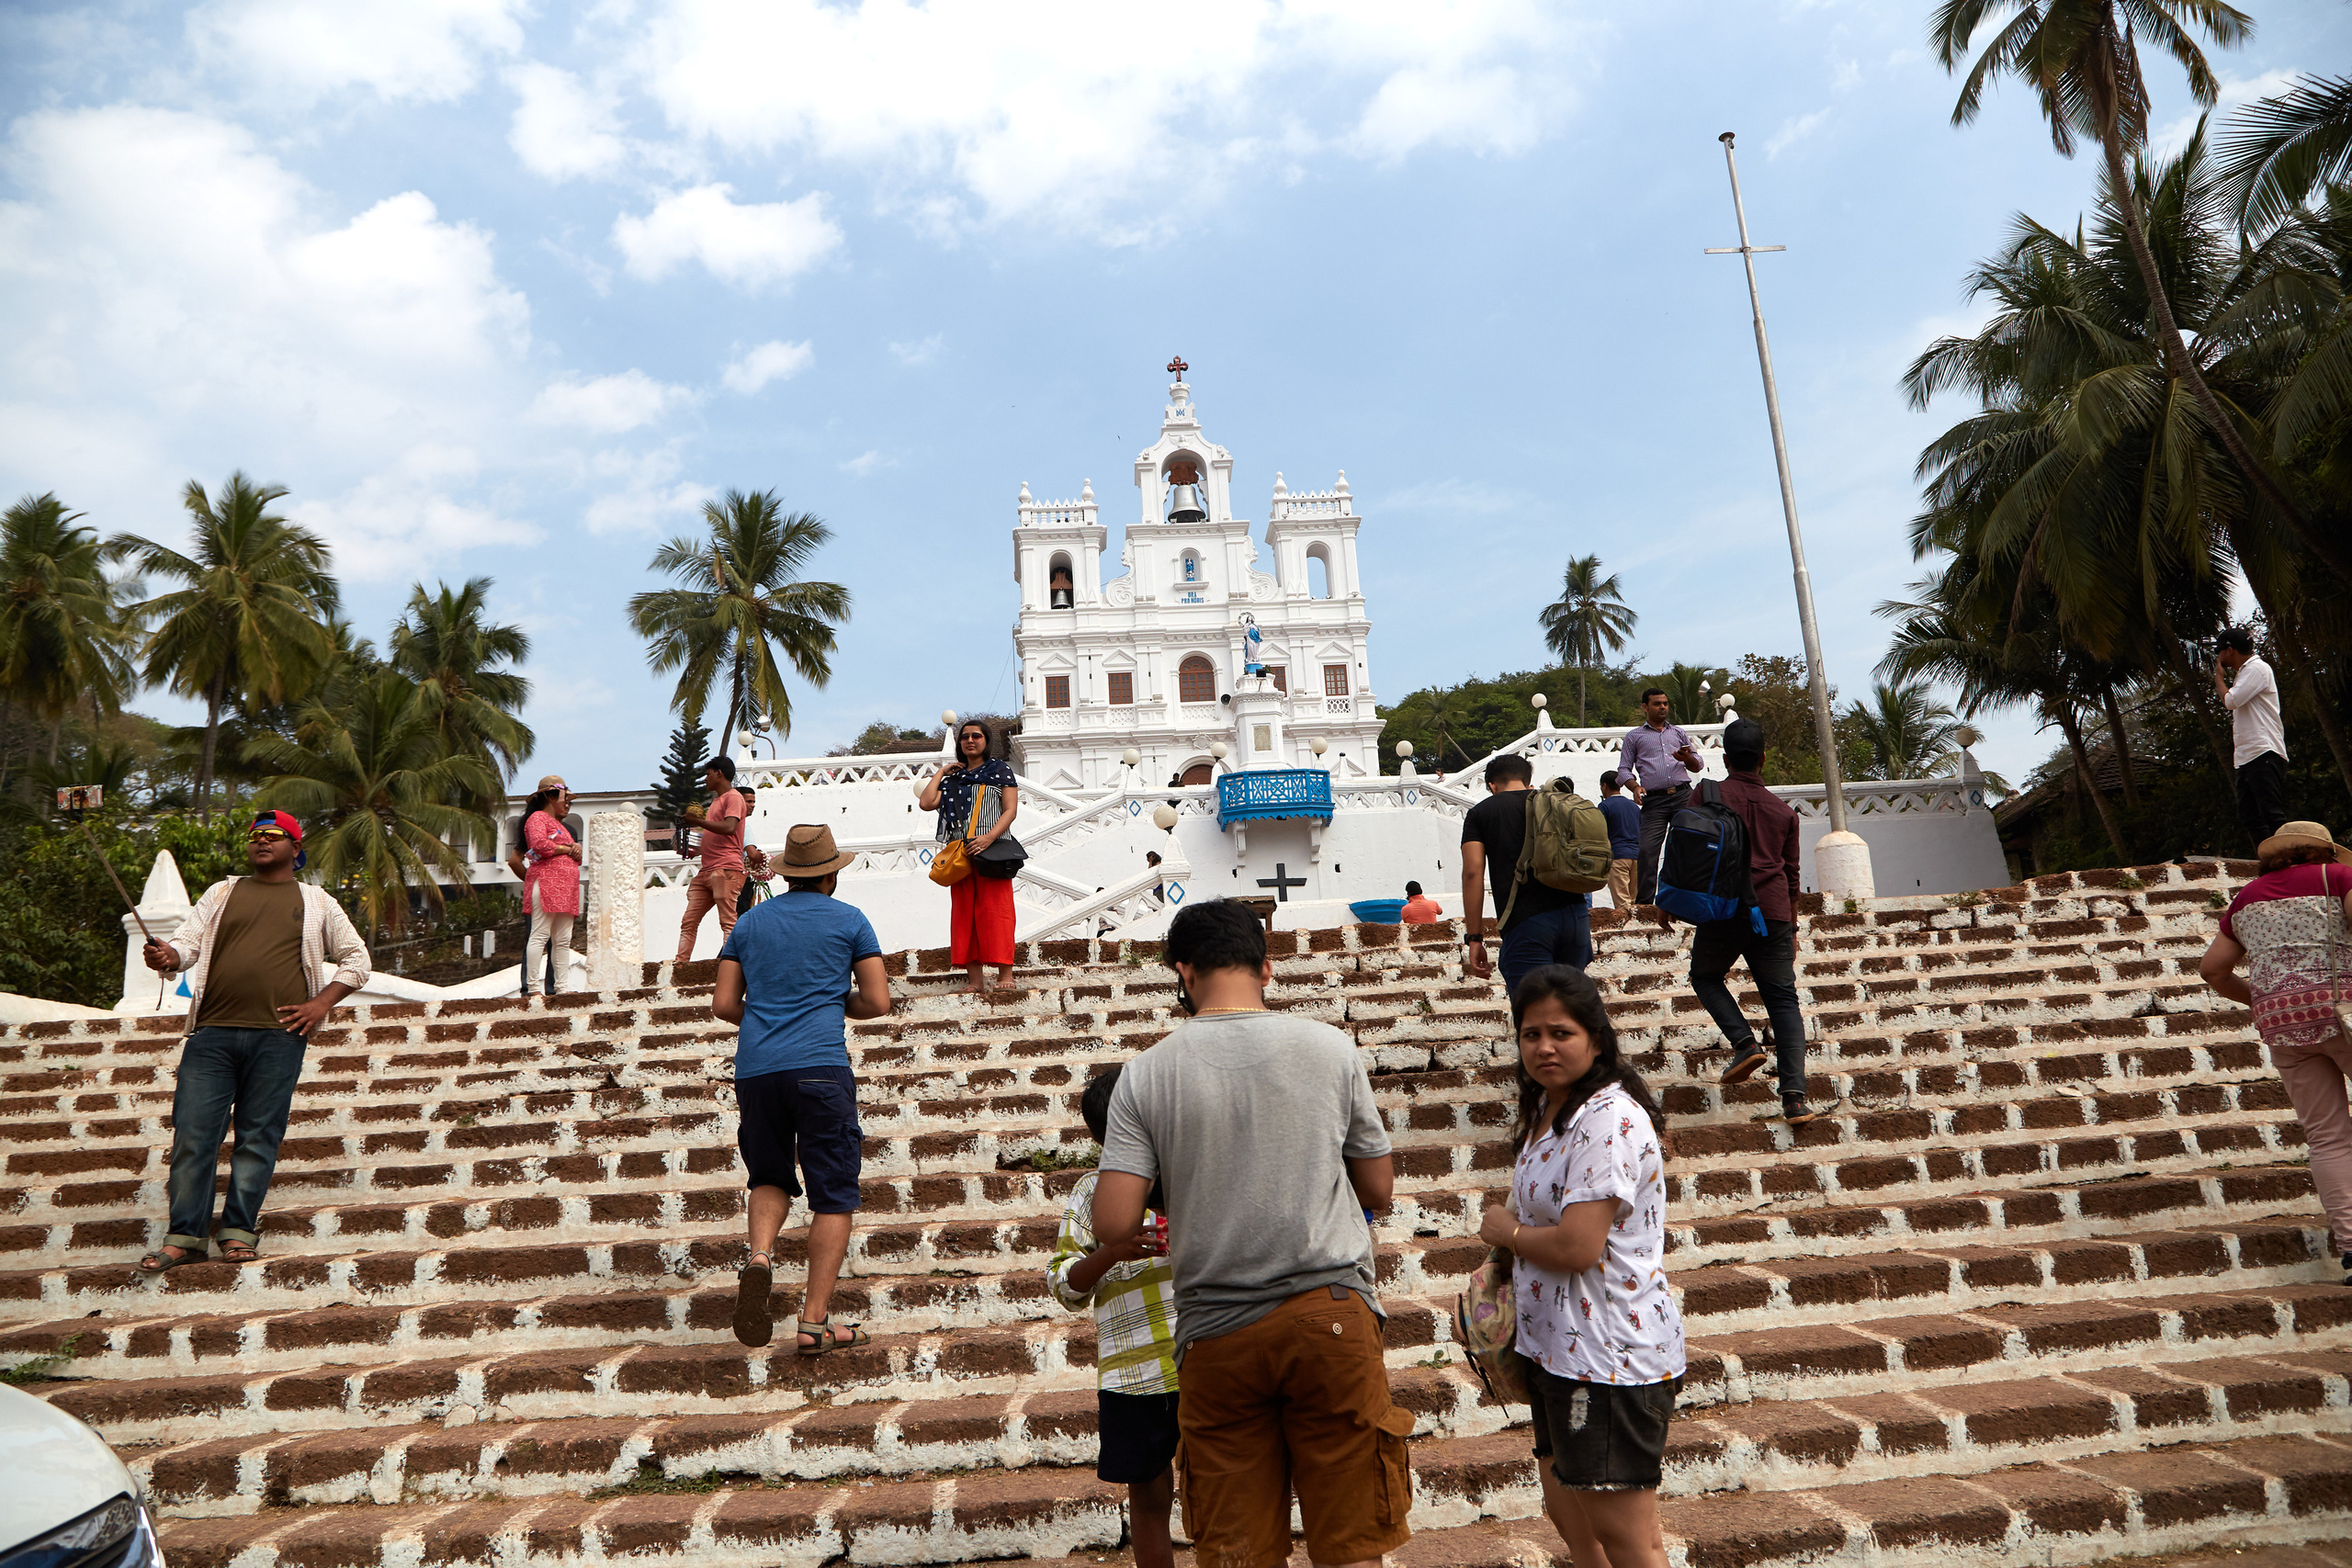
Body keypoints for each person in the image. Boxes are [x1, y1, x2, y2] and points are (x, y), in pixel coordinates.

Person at [1094, 900, 1409, 1568]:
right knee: (1352, 1544)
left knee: (1237, 1552)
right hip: (1330, 1312)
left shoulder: (1144, 1074)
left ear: (1184, 971)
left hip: (1215, 1333)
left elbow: (1114, 1223)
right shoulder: (1331, 1048)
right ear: (1266, 967)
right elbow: (1379, 1190)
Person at [1478, 965, 1682, 1568]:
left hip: (1608, 1356)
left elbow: (1578, 1246)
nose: (1544, 1046)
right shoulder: (1552, 1106)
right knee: (1571, 1517)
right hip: (1556, 1350)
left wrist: (1508, 1232)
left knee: (1627, 1540)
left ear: (1595, 1038)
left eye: (1561, 1033)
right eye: (1531, 1034)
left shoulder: (1607, 1119)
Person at [134, 811, 372, 1274]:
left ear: (296, 848)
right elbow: (186, 946)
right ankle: (185, 1237)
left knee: (259, 1135)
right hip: (212, 1034)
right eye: (256, 836)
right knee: (193, 1135)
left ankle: (238, 1232)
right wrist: (167, 956)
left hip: (279, 1037)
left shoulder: (316, 901)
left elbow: (356, 959)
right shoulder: (222, 892)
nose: (262, 841)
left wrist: (320, 1004)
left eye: (274, 835)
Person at [712, 824, 892, 1352]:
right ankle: (814, 1325)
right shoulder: (850, 920)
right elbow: (877, 1001)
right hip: (819, 1067)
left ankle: (760, 1257)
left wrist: (767, 1020)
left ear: (788, 874)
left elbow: (724, 1005)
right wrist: (832, 1003)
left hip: (756, 1069)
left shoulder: (749, 922)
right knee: (832, 1194)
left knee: (769, 1174)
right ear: (831, 875)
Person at [2199, 821, 2352, 1285]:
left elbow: (2213, 970)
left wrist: (2266, 999)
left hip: (2282, 1023)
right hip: (2344, 1009)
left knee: (2327, 1137)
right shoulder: (2339, 877)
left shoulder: (2245, 898)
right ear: (2325, 853)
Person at [1047, 1067, 1179, 1568]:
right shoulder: (1090, 1192)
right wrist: (1111, 1252)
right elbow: (1064, 1284)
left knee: (1221, 1487)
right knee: (1148, 1495)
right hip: (1133, 1375)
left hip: (1203, 1358)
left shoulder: (1193, 1174)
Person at [1686, 719, 1836, 1124]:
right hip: (1772, 910)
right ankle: (1795, 1100)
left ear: (1725, 759)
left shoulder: (1707, 794)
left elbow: (1687, 850)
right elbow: (1792, 874)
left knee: (1705, 976)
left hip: (1723, 908)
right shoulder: (1784, 812)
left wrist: (1668, 899)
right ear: (1763, 759)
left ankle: (1745, 1043)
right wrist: (1793, 927)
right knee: (1783, 1002)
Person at [1461, 754, 1591, 1000]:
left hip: (1526, 921)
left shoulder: (1481, 813)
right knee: (1573, 1005)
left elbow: (1472, 872)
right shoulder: (1555, 804)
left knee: (1534, 1008)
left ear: (1492, 785)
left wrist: (1475, 938)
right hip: (1575, 915)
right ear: (1527, 780)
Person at [918, 720, 1021, 996]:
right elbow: (926, 802)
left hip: (993, 851)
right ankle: (975, 980)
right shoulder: (954, 779)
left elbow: (1010, 811)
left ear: (986, 740)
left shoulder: (1000, 771)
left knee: (997, 912)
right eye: (965, 737)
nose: (970, 740)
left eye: (976, 736)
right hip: (961, 854)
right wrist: (942, 772)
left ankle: (1005, 974)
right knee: (965, 916)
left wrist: (988, 837)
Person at [1618, 688, 1703, 905]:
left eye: (1665, 703)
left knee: (1690, 845)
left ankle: (1688, 899)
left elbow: (1697, 765)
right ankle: (1645, 905)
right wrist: (1635, 787)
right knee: (1646, 850)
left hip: (1683, 795)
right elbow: (1623, 770)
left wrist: (1686, 759)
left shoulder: (1678, 733)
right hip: (1654, 801)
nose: (1663, 707)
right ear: (1645, 707)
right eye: (1657, 704)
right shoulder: (1634, 736)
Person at [2216, 628, 2289, 851]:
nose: (2218, 656)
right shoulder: (2245, 672)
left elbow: (2231, 701)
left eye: (2219, 651)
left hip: (2263, 750)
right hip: (2248, 755)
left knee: (2271, 813)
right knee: (2249, 816)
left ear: (2230, 650)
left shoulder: (2257, 668)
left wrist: (2218, 677)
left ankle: (2289, 861)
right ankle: (2273, 859)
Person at [675, 755, 749, 963]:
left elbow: (729, 827)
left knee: (727, 922)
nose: (705, 779)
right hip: (709, 870)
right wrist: (693, 849)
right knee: (689, 921)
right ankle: (681, 964)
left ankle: (730, 966)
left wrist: (698, 821)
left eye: (708, 774)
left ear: (719, 773)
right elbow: (715, 835)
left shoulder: (733, 798)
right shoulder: (717, 801)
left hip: (725, 868)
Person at [519, 775, 582, 998]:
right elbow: (540, 845)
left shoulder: (562, 827)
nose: (567, 804)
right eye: (564, 799)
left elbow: (574, 854)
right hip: (546, 882)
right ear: (549, 797)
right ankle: (533, 988)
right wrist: (568, 849)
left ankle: (561, 988)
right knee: (540, 934)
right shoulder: (537, 818)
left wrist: (574, 849)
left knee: (563, 939)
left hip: (566, 887)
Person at [1598, 770, 1641, 911]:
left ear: (1604, 786)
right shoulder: (1634, 806)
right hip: (1637, 857)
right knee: (1634, 904)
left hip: (1618, 857)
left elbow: (1601, 832)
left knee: (1623, 905)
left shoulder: (1604, 806)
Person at [737, 786, 772, 908]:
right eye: (749, 801)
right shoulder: (744, 826)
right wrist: (765, 862)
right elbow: (752, 854)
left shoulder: (724, 824)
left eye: (754, 802)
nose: (753, 805)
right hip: (740, 879)